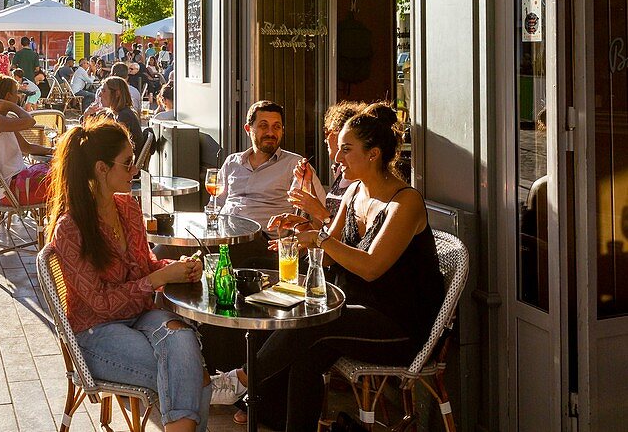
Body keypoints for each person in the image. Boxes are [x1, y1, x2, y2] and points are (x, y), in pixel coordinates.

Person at [210, 103, 446, 430]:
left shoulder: (405, 203)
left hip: (400, 328)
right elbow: (329, 249)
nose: (337, 157)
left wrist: (319, 241)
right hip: (353, 311)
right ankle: (263, 404)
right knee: (302, 338)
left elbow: (370, 267)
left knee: (314, 324)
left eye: (346, 150)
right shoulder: (356, 193)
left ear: (374, 154)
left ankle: (242, 380)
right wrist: (299, 233)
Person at [48, 119, 211, 432]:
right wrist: (156, 281)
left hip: (140, 316)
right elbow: (100, 304)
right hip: (95, 333)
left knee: (183, 341)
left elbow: (145, 264)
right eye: (127, 163)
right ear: (101, 168)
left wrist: (176, 268)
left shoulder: (128, 207)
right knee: (189, 374)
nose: (135, 170)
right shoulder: (70, 228)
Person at [217, 100, 325, 269]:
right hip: (223, 234)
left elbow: (317, 209)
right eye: (263, 126)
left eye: (277, 127)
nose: (270, 132)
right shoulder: (232, 162)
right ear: (248, 129)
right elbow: (216, 204)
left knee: (223, 256)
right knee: (169, 250)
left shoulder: (295, 165)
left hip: (263, 241)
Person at [0, 75, 54, 206]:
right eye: (16, 93)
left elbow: (26, 147)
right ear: (8, 96)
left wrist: (53, 150)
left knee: (62, 172)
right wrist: (13, 107)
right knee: (65, 181)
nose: (18, 97)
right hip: (13, 190)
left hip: (17, 184)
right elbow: (30, 121)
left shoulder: (2, 120)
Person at [84, 76, 144, 151]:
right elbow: (96, 135)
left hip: (123, 161)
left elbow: (111, 144)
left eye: (103, 91)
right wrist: (87, 116)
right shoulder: (114, 113)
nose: (99, 95)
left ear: (117, 93)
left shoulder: (124, 116)